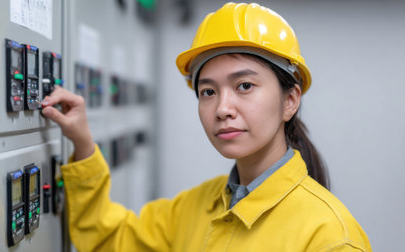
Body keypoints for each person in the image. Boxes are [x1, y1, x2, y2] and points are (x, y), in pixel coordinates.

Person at [41, 2, 371, 251]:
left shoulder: (330, 237)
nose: (223, 109)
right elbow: (111, 238)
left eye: (244, 86)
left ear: (290, 100)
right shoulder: (198, 206)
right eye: (208, 92)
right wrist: (83, 147)